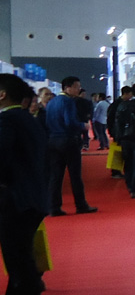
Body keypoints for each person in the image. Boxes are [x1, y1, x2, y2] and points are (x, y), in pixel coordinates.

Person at [0, 73, 50, 295]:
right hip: (31, 198)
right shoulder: (27, 119)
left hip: (15, 200)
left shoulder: (7, 121)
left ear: (2, 94)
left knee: (19, 261)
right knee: (20, 258)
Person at [45, 76, 97, 216]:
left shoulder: (51, 102)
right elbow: (70, 122)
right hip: (68, 140)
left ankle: (53, 207)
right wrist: (83, 125)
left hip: (53, 140)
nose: (78, 89)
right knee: (75, 175)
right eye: (76, 87)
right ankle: (81, 205)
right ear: (67, 88)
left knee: (56, 176)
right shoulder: (68, 102)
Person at [107, 86, 132, 177]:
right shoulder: (117, 104)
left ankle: (117, 171)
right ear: (126, 93)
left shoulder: (120, 103)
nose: (131, 96)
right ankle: (115, 172)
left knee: (120, 151)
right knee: (118, 151)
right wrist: (111, 131)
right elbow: (110, 118)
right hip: (118, 131)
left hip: (119, 131)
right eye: (130, 94)